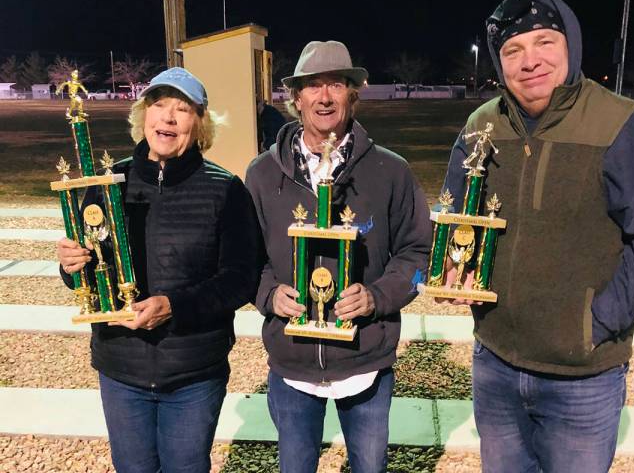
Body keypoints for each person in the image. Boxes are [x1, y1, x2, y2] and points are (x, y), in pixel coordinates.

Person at [440, 0, 634, 472]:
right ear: (499, 61)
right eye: (513, 50)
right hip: (496, 361)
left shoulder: (621, 124)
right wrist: (454, 265)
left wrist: (592, 323)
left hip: (582, 377)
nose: (530, 60)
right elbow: (455, 214)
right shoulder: (480, 126)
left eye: (544, 42)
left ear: (570, 44)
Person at [56, 67, 261, 472]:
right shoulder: (108, 183)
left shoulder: (225, 189)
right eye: (158, 105)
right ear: (143, 115)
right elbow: (90, 269)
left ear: (199, 124)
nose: (167, 118)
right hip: (122, 370)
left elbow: (240, 279)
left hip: (193, 374)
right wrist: (70, 265)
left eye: (181, 110)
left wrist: (174, 306)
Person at [245, 40, 432, 473]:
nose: (324, 96)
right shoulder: (261, 174)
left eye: (336, 85)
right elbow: (243, 257)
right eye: (313, 86)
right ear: (296, 97)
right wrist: (268, 294)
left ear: (353, 94)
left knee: (369, 466)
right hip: (292, 362)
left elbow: (418, 251)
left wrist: (379, 297)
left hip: (365, 361)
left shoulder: (391, 171)